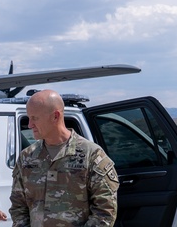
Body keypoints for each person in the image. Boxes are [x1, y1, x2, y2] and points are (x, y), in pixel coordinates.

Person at [9, 89, 119, 226]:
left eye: (34, 118)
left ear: (55, 116)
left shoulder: (91, 155)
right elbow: (18, 207)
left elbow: (105, 211)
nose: (30, 124)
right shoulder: (27, 157)